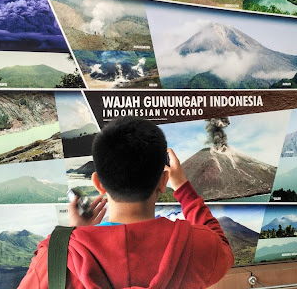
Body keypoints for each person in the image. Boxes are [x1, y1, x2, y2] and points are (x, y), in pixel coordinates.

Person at [18, 116, 234, 289]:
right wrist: (182, 188)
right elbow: (222, 247)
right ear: (163, 182)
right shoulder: (199, 247)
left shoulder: (55, 258)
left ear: (98, 184)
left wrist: (71, 236)